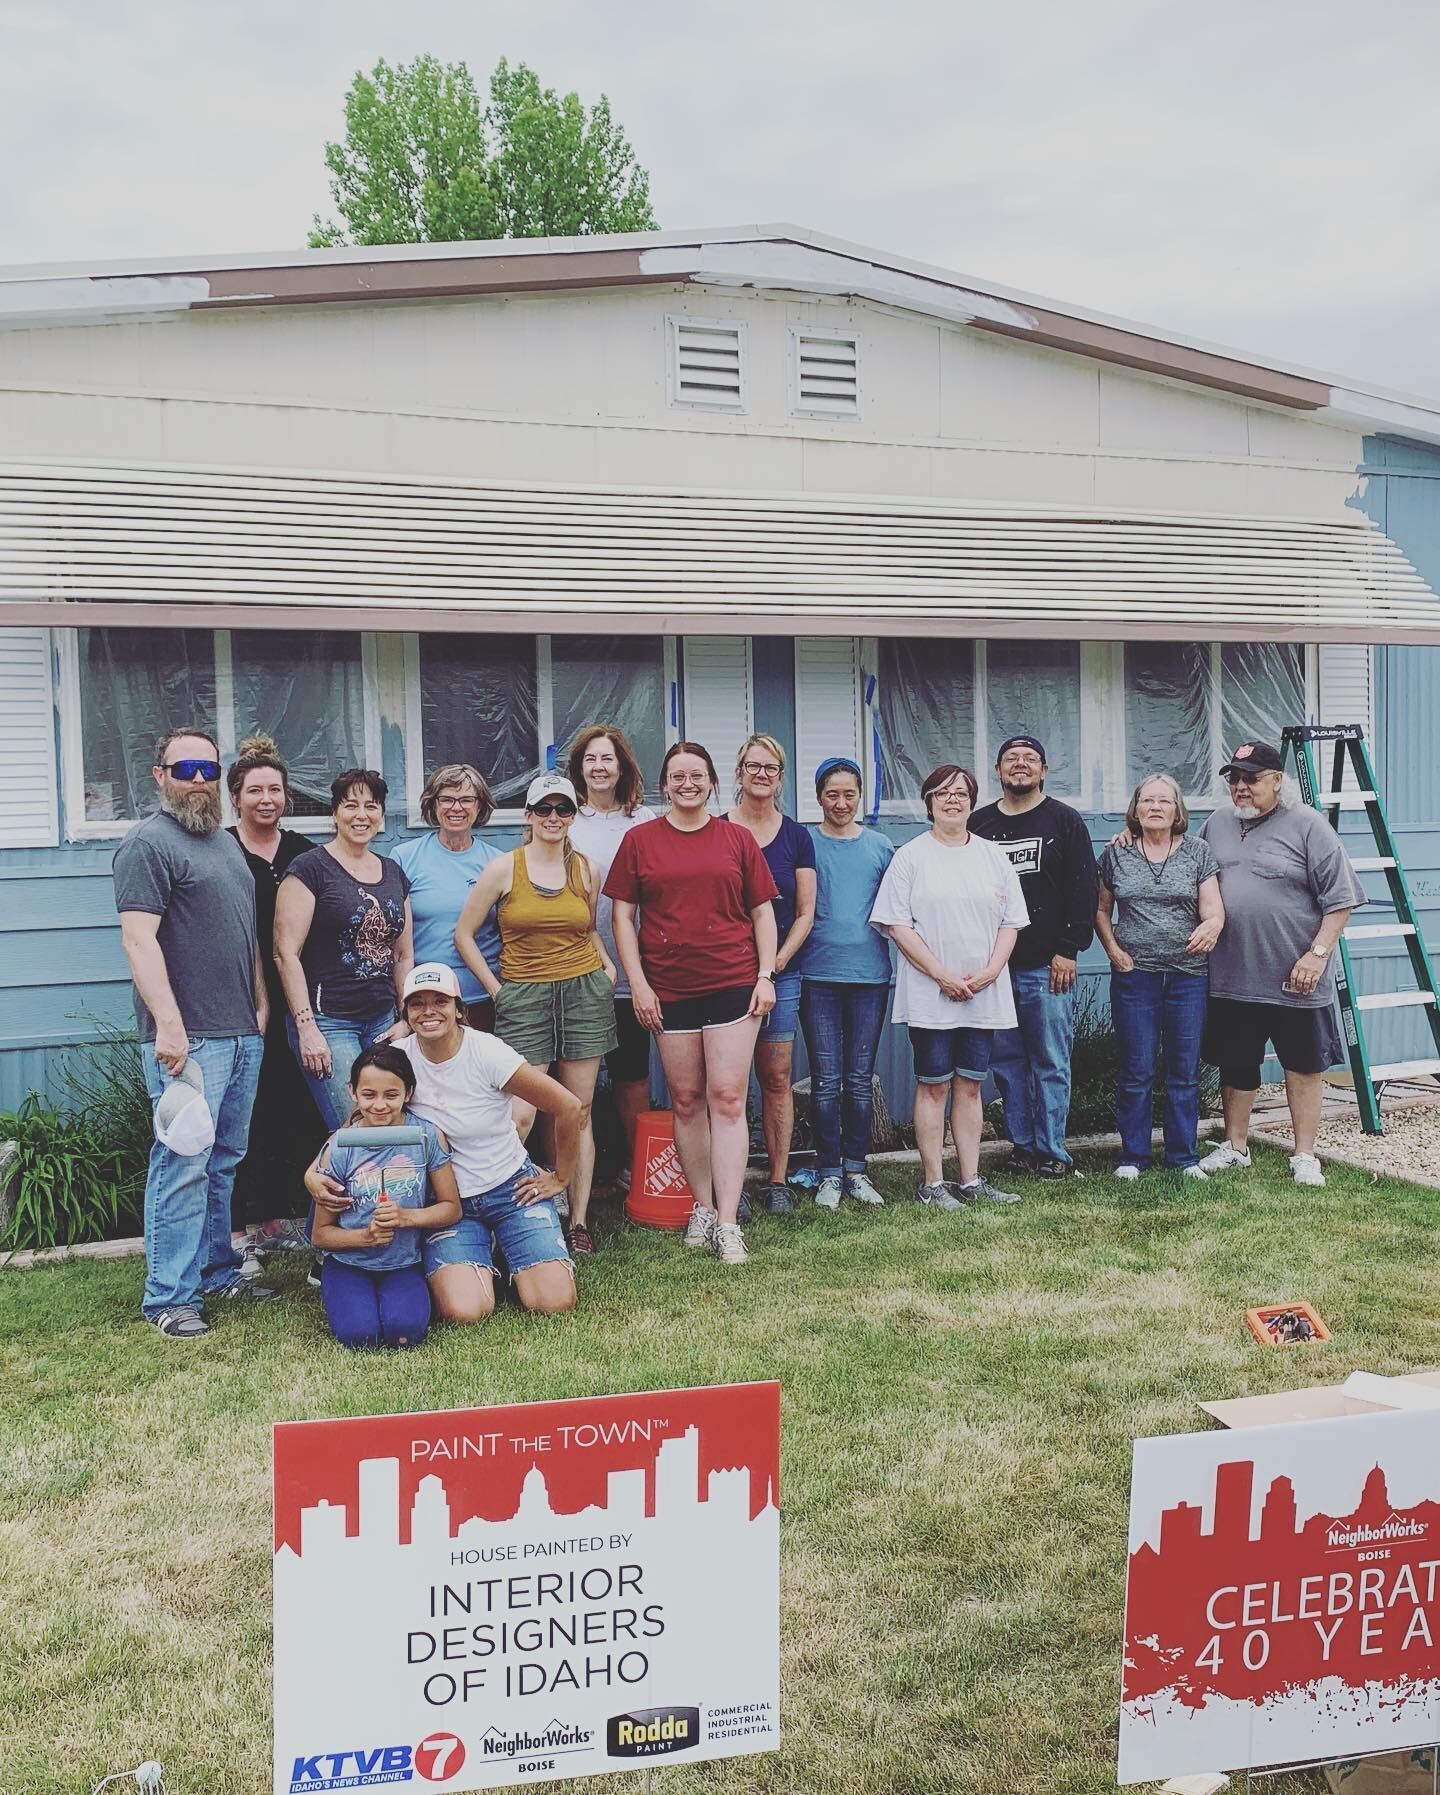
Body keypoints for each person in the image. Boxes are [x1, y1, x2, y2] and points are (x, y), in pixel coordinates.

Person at [305, 964, 581, 1321]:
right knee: (465, 1310)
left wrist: (561, 1177)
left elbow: (568, 1106)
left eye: (440, 1001)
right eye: (417, 1003)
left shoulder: (488, 1053)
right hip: (447, 1202)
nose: (429, 1011)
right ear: (405, 1013)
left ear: (459, 1008)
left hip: (510, 1188)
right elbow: (357, 1123)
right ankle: (487, 1255)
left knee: (553, 1301)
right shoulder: (398, 1058)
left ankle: (511, 1252)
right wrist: (312, 1171)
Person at [113, 725, 274, 1337]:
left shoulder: (225, 845)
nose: (200, 780)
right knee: (182, 1162)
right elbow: (138, 938)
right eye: (186, 770)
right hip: (189, 1039)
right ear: (160, 777)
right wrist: (170, 1026)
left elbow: (244, 933)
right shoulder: (147, 845)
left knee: (223, 1159)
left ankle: (214, 1271)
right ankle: (169, 1299)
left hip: (240, 1031)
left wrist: (259, 1003)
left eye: (209, 769)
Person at [605, 741, 779, 1265]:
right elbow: (622, 919)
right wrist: (638, 983)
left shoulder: (736, 838)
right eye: (677, 776)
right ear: (664, 784)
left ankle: (728, 1222)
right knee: (685, 1101)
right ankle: (701, 1207)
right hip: (669, 989)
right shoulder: (640, 841)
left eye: (696, 775)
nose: (687, 783)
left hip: (732, 981)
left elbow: (763, 913)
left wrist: (765, 975)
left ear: (711, 781)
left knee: (727, 1098)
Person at [454, 772, 617, 1256]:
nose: (553, 818)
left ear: (572, 817)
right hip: (524, 996)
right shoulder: (505, 868)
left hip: (583, 993)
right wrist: (497, 990)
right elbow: (465, 934)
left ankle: (578, 1221)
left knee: (579, 1111)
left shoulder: (586, 869)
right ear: (527, 815)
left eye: (562, 810)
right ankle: (505, 1210)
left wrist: (606, 967)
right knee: (519, 1114)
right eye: (543, 809)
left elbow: (586, 928)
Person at [1193, 742, 1363, 1187]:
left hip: (1297, 978)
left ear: (1277, 781)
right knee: (1236, 1064)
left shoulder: (1309, 825)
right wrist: (1131, 836)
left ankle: (1305, 1155)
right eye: (1234, 779)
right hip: (1231, 975)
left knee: (1304, 1066)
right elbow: (1182, 861)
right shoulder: (1216, 824)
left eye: (1251, 778)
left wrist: (1318, 954)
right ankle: (1235, 1147)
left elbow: (1342, 899)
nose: (1241, 787)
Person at [871, 765, 1029, 1209]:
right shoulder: (911, 857)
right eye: (942, 793)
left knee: (971, 1085)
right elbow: (897, 925)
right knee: (934, 1085)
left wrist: (992, 970)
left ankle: (972, 1179)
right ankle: (933, 1183)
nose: (952, 800)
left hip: (983, 991)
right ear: (929, 803)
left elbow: (1011, 921)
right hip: (931, 993)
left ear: (972, 801)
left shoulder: (993, 857)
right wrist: (941, 974)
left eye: (960, 793)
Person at [970, 735, 1098, 1179]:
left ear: (1043, 771)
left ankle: (1053, 1152)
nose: (1020, 765)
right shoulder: (978, 824)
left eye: (1029, 759)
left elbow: (1086, 890)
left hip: (1046, 967)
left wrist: (1069, 950)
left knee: (1050, 1061)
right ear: (998, 770)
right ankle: (1021, 1147)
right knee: (1006, 1063)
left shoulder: (1064, 821)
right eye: (1011, 759)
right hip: (994, 970)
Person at [1095, 775, 1225, 1181]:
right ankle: (1133, 1156)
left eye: (1164, 801)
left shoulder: (1199, 852)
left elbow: (1214, 909)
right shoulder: (1115, 855)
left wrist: (1213, 926)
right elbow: (1100, 911)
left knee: (1183, 1070)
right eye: (1146, 800)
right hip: (1136, 977)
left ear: (1177, 810)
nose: (1155, 807)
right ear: (1135, 810)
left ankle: (1183, 1156)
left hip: (1188, 976)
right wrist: (1114, 951)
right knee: (1136, 1069)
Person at [225, 735, 324, 1266]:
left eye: (276, 790)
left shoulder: (303, 854)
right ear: (236, 796)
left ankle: (275, 1219)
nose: (267, 798)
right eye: (255, 789)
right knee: (244, 1112)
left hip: (297, 996)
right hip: (238, 998)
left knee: (292, 1107)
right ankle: (239, 1234)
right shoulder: (220, 850)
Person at [274, 769, 415, 1132]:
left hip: (383, 1020)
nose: (361, 815)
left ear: (381, 814)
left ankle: (391, 1192)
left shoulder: (393, 872)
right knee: (354, 1129)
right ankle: (335, 1190)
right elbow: (284, 953)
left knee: (393, 1123)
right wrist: (307, 1029)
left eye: (371, 806)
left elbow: (402, 955)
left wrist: (405, 1019)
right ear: (335, 812)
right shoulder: (310, 869)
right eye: (351, 805)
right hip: (329, 1022)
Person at [310, 1044, 461, 1350]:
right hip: (348, 1261)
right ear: (353, 1092)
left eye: (391, 1095)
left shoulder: (426, 1136)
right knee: (360, 1338)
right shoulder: (340, 1146)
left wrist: (408, 1217)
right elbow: (320, 1235)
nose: (379, 1105)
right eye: (369, 1095)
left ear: (408, 1092)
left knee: (405, 1333)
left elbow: (451, 1208)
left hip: (403, 1261)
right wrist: (366, 1236)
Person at [566, 724, 657, 1208]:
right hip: (575, 970)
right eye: (590, 760)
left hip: (632, 970)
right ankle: (568, 1175)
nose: (599, 767)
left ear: (622, 767)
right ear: (579, 768)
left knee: (631, 1076)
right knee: (572, 1079)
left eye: (608, 759)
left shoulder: (644, 820)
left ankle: (634, 1169)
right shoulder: (563, 818)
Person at [798, 757, 895, 1212]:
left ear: (860, 796)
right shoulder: (804, 841)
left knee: (858, 1081)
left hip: (869, 976)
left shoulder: (880, 846)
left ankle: (856, 1170)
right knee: (825, 1081)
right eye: (831, 794)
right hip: (817, 974)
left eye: (849, 794)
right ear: (819, 797)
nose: (840, 802)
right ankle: (828, 1173)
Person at [726, 734, 816, 1215]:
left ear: (780, 777)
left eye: (771, 768)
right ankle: (732, 1181)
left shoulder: (796, 837)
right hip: (723, 977)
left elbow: (804, 913)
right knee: (729, 1082)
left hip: (782, 974)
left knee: (776, 1076)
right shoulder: (716, 829)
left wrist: (774, 963)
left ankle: (777, 1180)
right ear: (738, 772)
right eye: (753, 766)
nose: (761, 774)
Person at [392, 763, 503, 1031]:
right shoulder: (404, 858)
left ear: (479, 806)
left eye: (466, 799)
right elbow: (396, 946)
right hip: (426, 1000)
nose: (456, 808)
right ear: (433, 804)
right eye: (447, 799)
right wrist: (404, 1006)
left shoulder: (497, 863)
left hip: (483, 997)